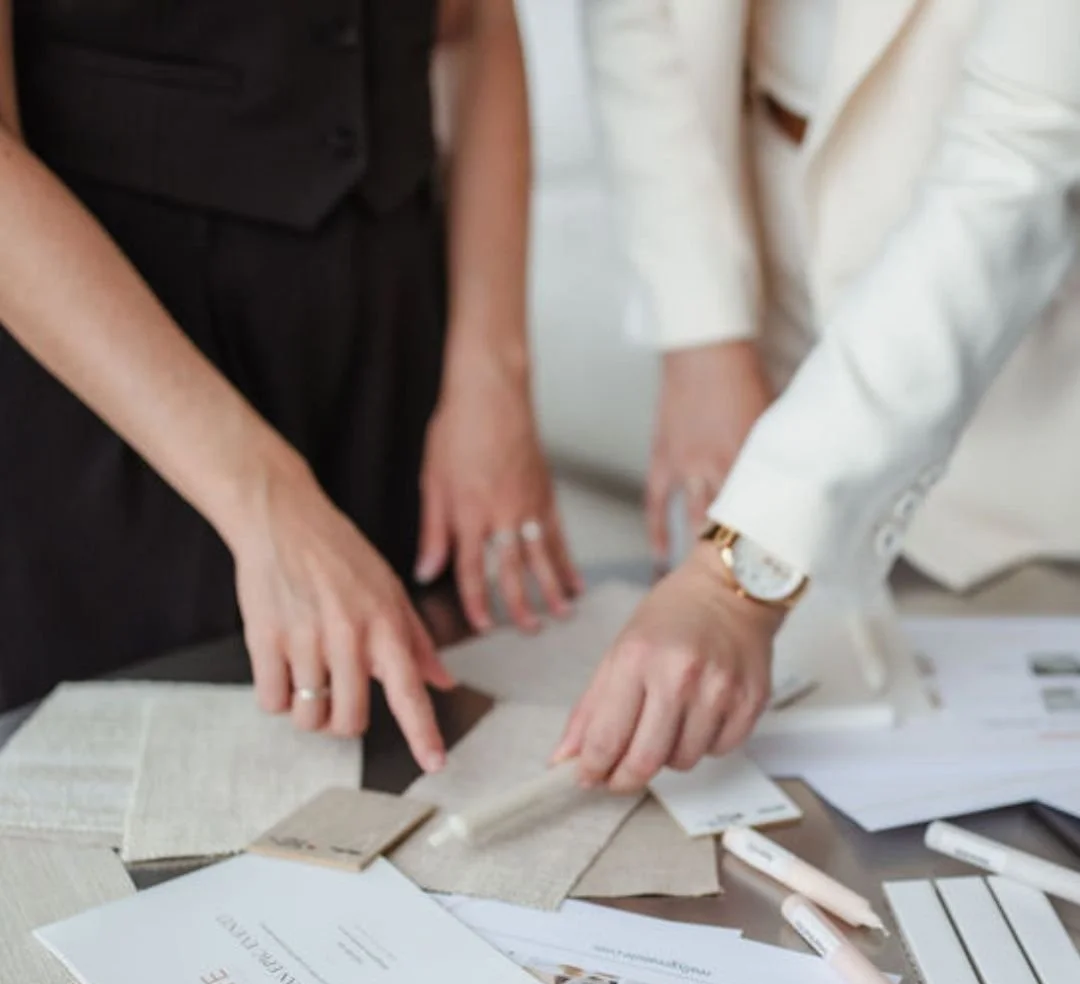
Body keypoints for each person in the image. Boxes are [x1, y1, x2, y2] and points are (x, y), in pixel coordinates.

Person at [0, 0, 579, 769]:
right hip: (118, 381)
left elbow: (475, 23)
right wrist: (264, 499)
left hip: (394, 359)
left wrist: (491, 373)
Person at [555, 0, 1080, 791]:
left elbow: (1018, 164)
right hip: (769, 232)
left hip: (1020, 343)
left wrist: (737, 579)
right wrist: (705, 336)